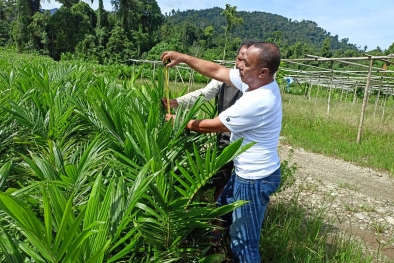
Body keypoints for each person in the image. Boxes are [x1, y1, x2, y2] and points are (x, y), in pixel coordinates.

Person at [161, 42, 282, 263]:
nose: (239, 65)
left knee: (244, 243)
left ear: (263, 71)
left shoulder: (259, 100)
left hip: (255, 179)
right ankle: (215, 248)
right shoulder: (254, 83)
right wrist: (184, 58)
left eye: (245, 62)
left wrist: (178, 122)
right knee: (222, 208)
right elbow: (218, 71)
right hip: (245, 171)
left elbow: (214, 125)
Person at [162, 40, 256, 202]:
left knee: (244, 185)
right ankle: (217, 223)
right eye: (239, 58)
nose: (240, 63)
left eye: (245, 61)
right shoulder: (228, 76)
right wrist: (176, 102)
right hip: (225, 138)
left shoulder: (258, 85)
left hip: (247, 143)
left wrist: (182, 121)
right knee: (222, 181)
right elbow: (204, 93)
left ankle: (233, 218)